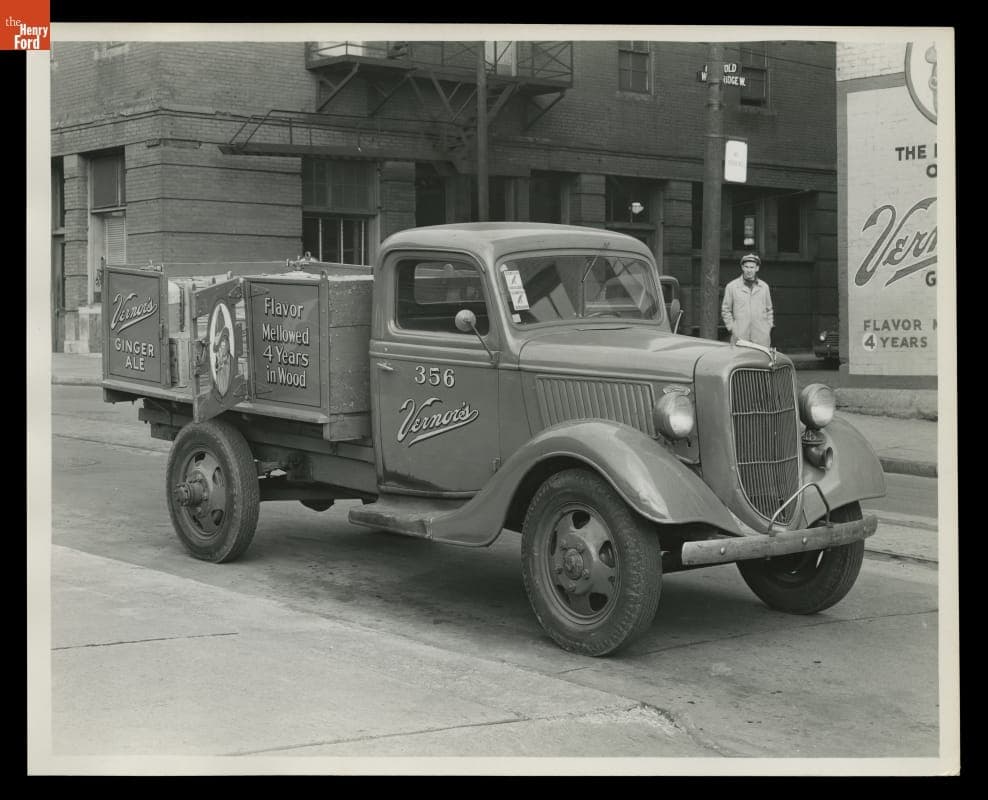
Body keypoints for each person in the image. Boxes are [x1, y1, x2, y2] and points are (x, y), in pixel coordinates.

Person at [721, 253, 774, 347]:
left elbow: (769, 309)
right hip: (740, 336)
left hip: (761, 336)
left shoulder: (764, 287)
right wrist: (733, 328)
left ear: (757, 268)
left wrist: (768, 327)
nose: (749, 270)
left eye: (752, 267)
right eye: (746, 267)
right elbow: (726, 310)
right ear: (742, 267)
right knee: (741, 360)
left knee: (760, 360)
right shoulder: (732, 287)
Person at [212, 324, 232, 396]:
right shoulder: (219, 348)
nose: (221, 347)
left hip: (224, 364)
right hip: (220, 366)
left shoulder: (225, 342)